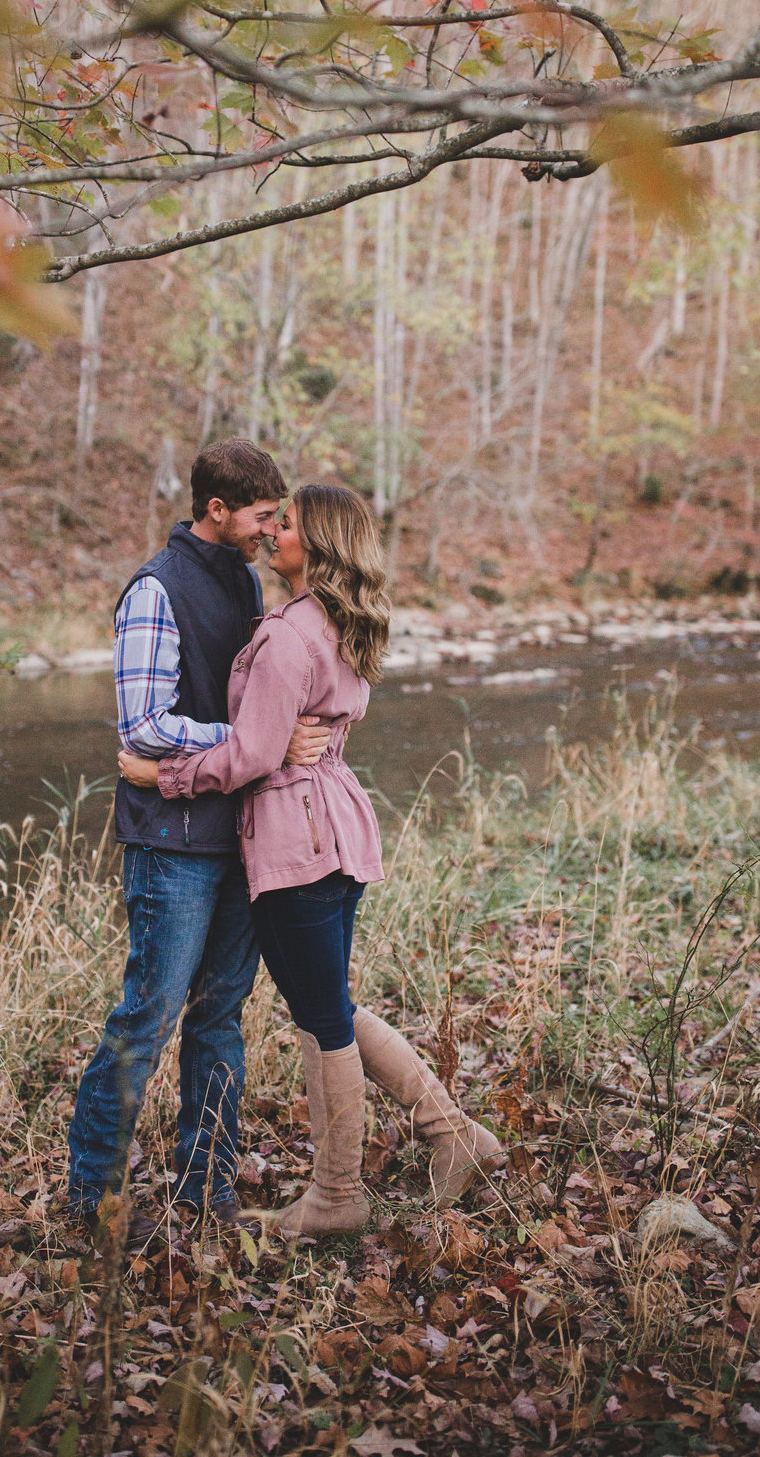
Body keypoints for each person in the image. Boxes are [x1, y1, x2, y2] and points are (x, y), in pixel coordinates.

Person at [119, 484, 501, 1237]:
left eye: (286, 525)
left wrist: (159, 776)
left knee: (323, 1013)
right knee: (329, 1003)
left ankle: (338, 1195)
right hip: (332, 828)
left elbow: (253, 754)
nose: (273, 534)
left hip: (298, 842)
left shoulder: (290, 635)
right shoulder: (336, 623)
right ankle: (453, 1136)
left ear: (317, 545)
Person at [67, 440, 332, 1242]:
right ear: (215, 510)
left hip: (241, 833)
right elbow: (142, 726)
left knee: (220, 1017)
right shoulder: (156, 587)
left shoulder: (246, 581)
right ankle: (92, 1200)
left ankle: (206, 1191)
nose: (269, 528)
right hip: (173, 841)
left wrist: (262, 740)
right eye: (259, 515)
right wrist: (256, 738)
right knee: (146, 1017)